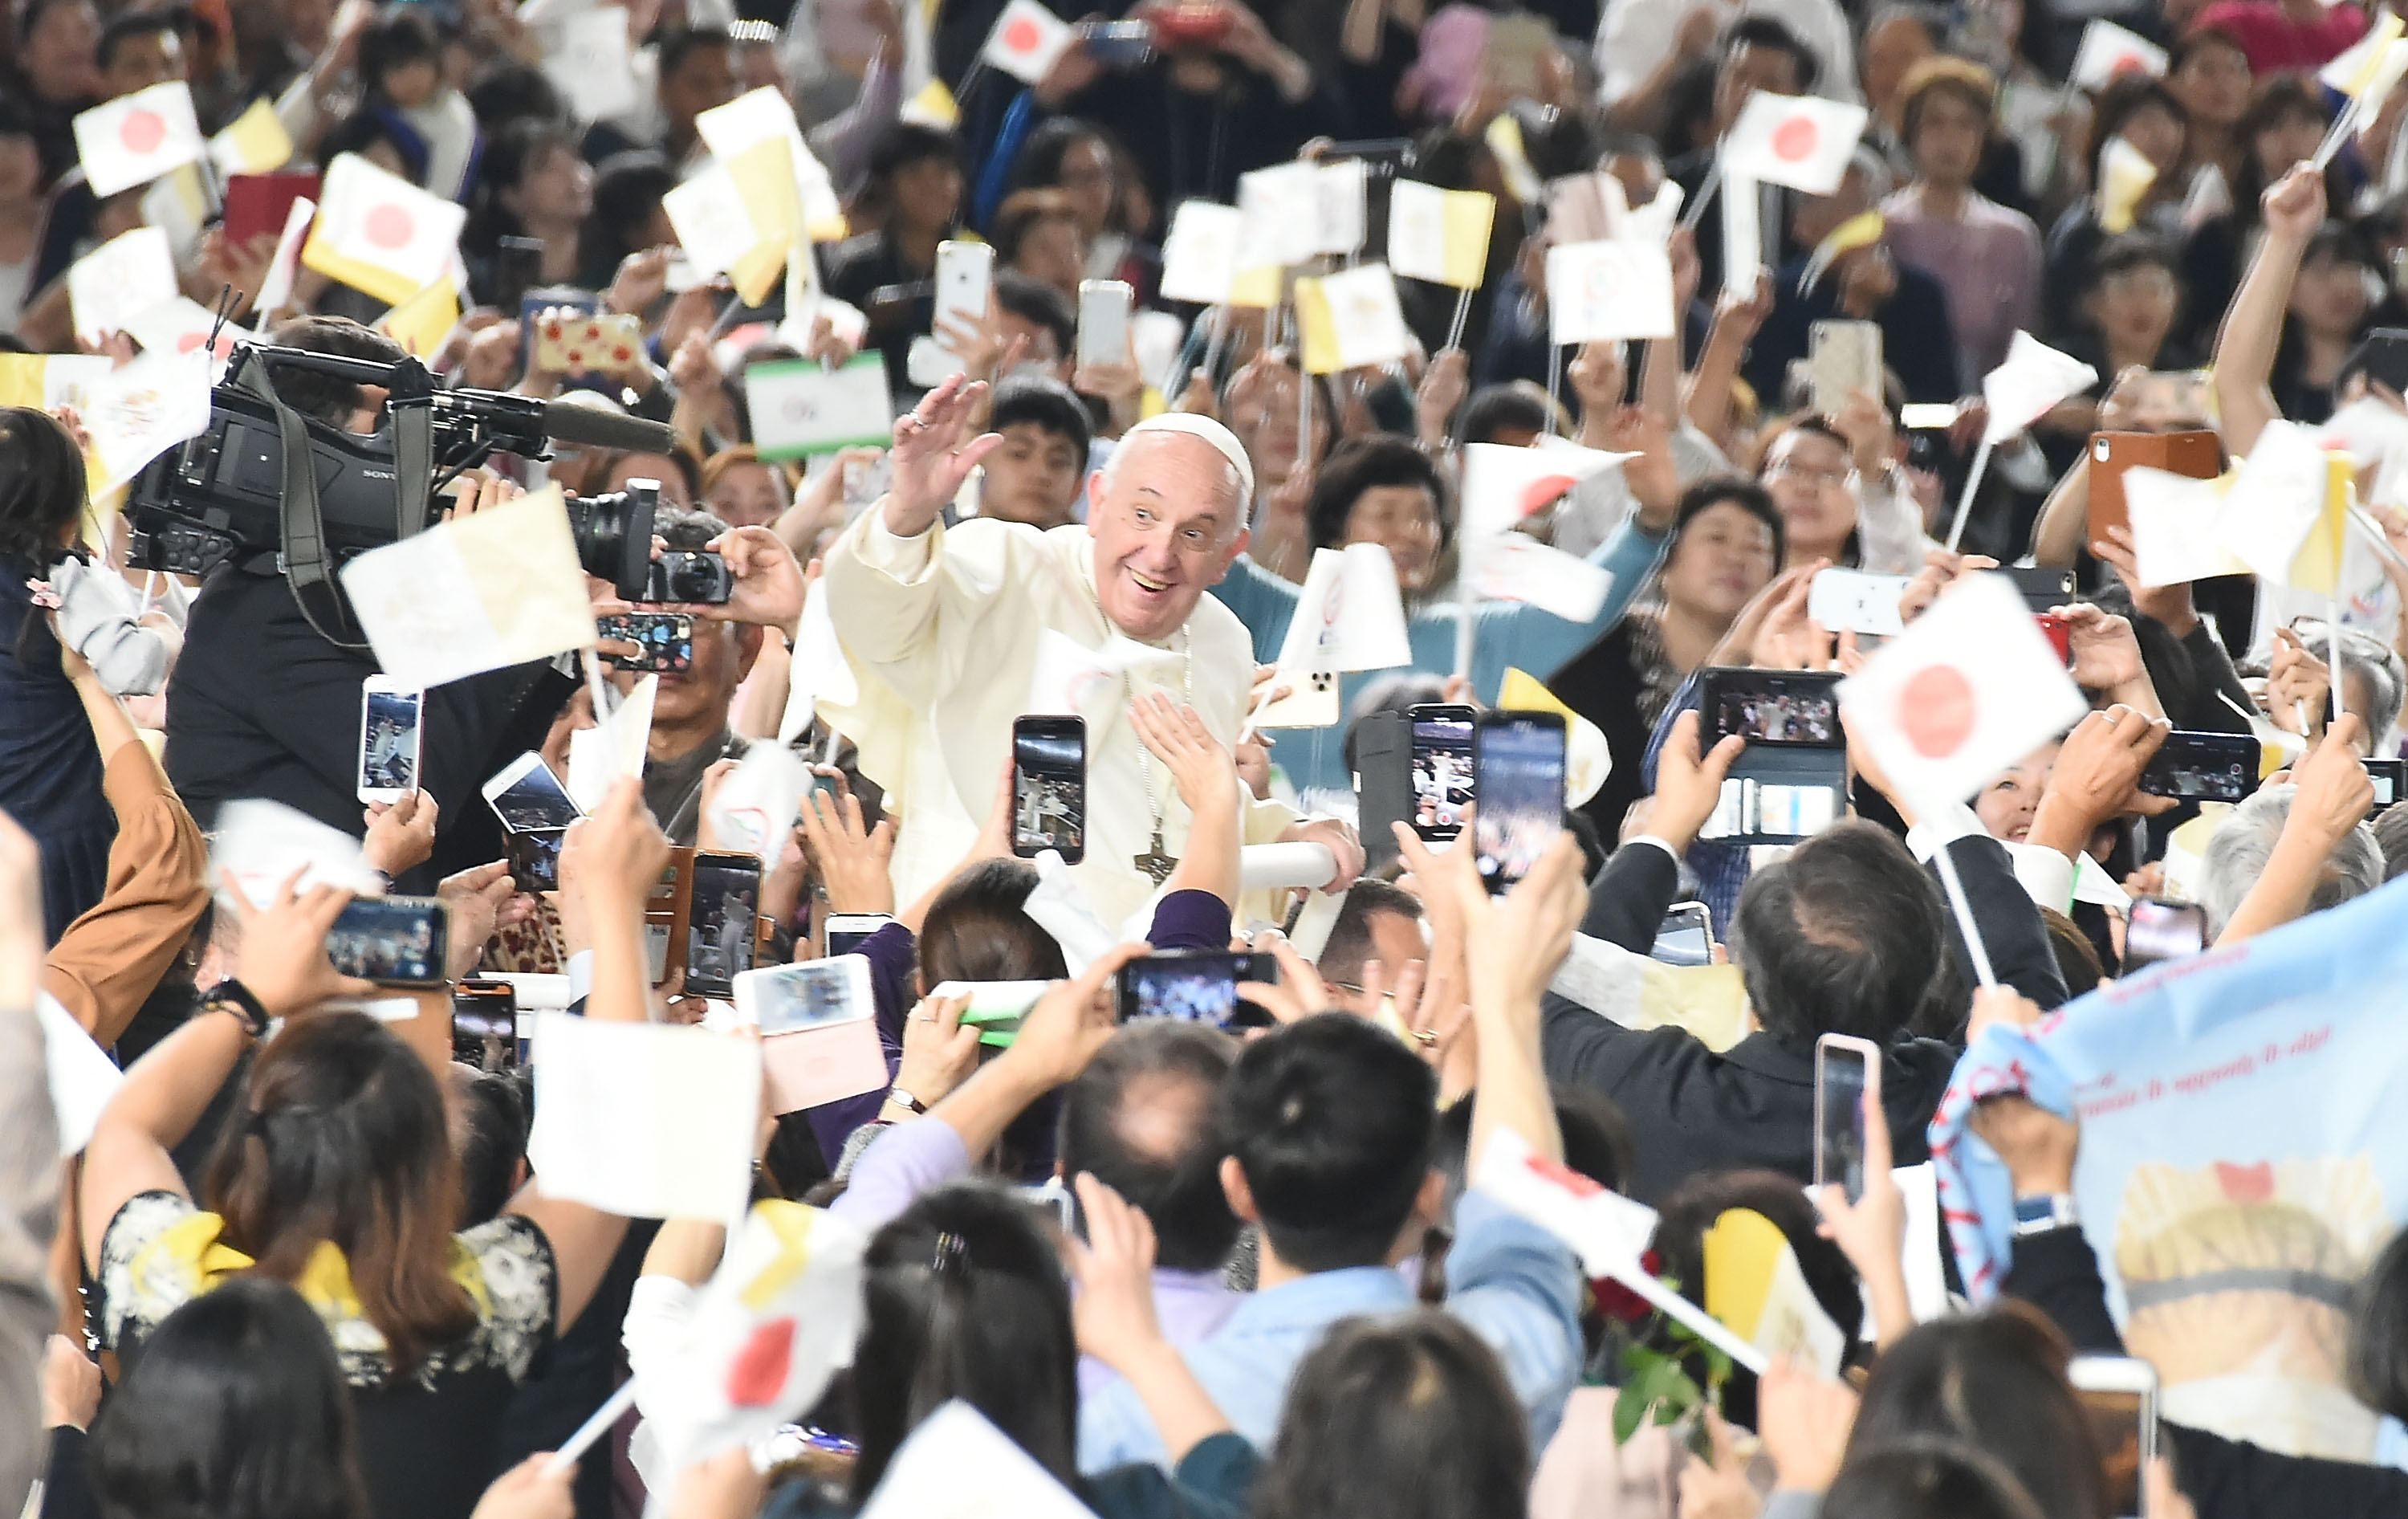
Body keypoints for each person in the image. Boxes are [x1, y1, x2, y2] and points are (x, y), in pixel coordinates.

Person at [78, 780, 665, 1519]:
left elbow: (125, 1129)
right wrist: (612, 908)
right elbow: (608, 1138)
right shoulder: (478, 1313)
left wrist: (248, 996)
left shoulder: (166, 1285)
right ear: (433, 1176)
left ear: (246, 1147)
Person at [1078, 825, 1592, 1469]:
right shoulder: (1507, 1358)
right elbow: (1521, 1235)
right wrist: (1506, 1005)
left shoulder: (1135, 1417)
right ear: (1430, 1195)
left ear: (1238, 1187)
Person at [816, 391, 1355, 926]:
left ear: (1228, 556)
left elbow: (1176, 808)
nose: (1161, 554)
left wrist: (1286, 831)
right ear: (1098, 502)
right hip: (987, 948)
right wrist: (907, 515)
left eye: (1193, 533)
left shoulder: (1224, 643)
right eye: (1143, 515)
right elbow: (875, 622)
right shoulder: (1005, 565)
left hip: (1148, 967)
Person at [161, 318, 579, 890]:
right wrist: (502, 588)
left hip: (375, 939)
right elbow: (415, 783)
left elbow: (479, 773)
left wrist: (549, 626)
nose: (422, 463)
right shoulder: (261, 606)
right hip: (267, 955)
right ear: (322, 449)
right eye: (392, 432)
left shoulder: (352, 584)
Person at [1212, 430, 1677, 797]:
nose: (1412, 533)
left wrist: (1650, 522)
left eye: (1425, 516)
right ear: (1335, 534)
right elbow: (1192, 543)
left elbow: (1582, 609)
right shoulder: (1266, 612)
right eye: (1387, 514)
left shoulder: (1468, 640)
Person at [1546, 480, 1784, 844]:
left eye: (1756, 547)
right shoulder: (1592, 654)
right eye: (1716, 538)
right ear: (1663, 563)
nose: (1736, 558)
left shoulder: (1778, 686)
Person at [0, 407, 115, 940]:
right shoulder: (54, 589)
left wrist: (42, 468)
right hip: (59, 858)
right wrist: (162, 631)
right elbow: (138, 670)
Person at [1878, 57, 2044, 389]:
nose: (1950, 139)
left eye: (1966, 125)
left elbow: (2023, 347)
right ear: (1911, 134)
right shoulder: (1882, 226)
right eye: (1935, 123)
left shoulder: (2014, 235)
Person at [974, 376, 1092, 529]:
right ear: (980, 459)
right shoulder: (942, 542)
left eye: (1058, 461)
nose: (1039, 473)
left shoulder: (1091, 552)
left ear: (1079, 486)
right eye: (1019, 454)